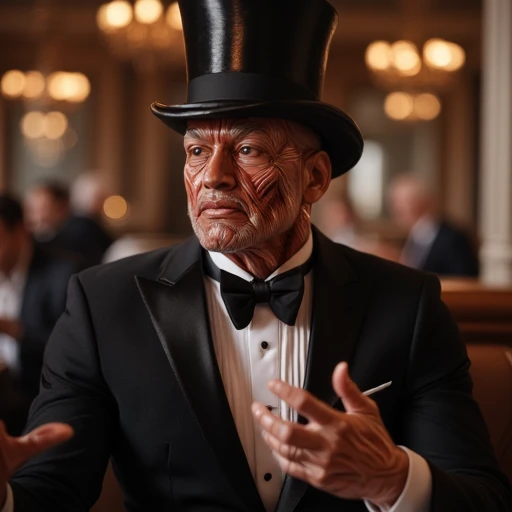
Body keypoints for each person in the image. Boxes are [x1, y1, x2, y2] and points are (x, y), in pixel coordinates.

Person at [1, 1, 511, 511]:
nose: (214, 176)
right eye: (198, 151)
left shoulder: (407, 306)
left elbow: (483, 498)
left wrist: (393, 480)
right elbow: (48, 492)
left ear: (314, 178)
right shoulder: (104, 305)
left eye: (249, 150)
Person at [0, 194, 81, 435]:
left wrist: (14, 330)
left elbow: (74, 352)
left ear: (20, 230)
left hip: (37, 394)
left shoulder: (64, 274)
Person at [388, 173, 480, 277]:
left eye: (401, 203)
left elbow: (464, 280)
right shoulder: (413, 236)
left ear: (422, 202)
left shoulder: (453, 238)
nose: (395, 210)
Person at [24, 181, 112, 267]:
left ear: (62, 208)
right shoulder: (31, 239)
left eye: (44, 209)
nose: (38, 217)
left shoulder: (82, 229)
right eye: (32, 210)